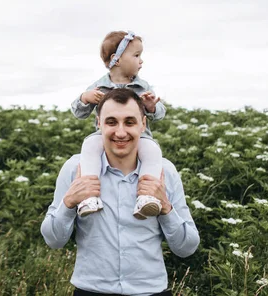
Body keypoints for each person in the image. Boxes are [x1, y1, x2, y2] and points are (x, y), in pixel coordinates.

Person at [42, 88, 199, 296]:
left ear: (143, 124)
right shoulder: (75, 169)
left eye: (130, 122)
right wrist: (69, 202)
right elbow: (53, 240)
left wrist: (166, 208)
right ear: (99, 123)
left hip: (151, 292)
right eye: (111, 122)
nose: (121, 132)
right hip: (91, 291)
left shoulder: (164, 172)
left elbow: (187, 247)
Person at [71, 31, 166, 218]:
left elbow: (160, 114)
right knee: (89, 146)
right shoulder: (98, 87)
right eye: (136, 55)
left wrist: (151, 107)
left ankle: (147, 197)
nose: (141, 61)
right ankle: (89, 196)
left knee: (153, 151)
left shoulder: (143, 87)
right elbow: (78, 112)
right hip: (106, 138)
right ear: (117, 59)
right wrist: (85, 98)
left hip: (139, 137)